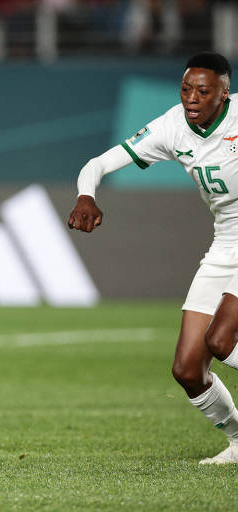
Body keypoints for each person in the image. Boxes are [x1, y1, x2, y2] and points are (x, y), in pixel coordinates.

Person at [68, 51, 238, 464]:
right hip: (226, 243)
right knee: (187, 369)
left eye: (203, 90)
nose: (192, 98)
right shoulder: (172, 126)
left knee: (221, 338)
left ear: (224, 93)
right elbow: (99, 163)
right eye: (186, 88)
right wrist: (86, 194)